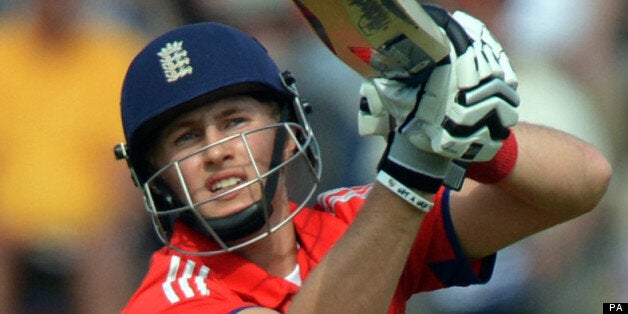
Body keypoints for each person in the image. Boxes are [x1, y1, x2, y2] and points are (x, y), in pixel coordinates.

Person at [116, 5, 611, 313]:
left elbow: (585, 182)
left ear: (291, 136)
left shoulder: (352, 222)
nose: (216, 151)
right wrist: (410, 168)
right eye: (185, 139)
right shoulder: (167, 301)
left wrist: (466, 132)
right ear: (157, 182)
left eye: (234, 121)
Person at [0, 1, 146, 313]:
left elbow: (122, 157)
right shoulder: (4, 51)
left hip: (90, 218)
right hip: (9, 215)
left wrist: (117, 216)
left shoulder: (113, 55)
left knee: (110, 247)